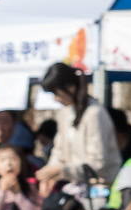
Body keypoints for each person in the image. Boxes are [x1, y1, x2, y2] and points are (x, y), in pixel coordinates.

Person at [37, 63, 120, 197]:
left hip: (100, 190)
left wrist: (60, 170)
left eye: (57, 93)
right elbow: (59, 150)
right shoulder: (65, 112)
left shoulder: (94, 113)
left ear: (70, 87)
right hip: (76, 188)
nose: (56, 99)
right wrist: (49, 173)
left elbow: (97, 162)